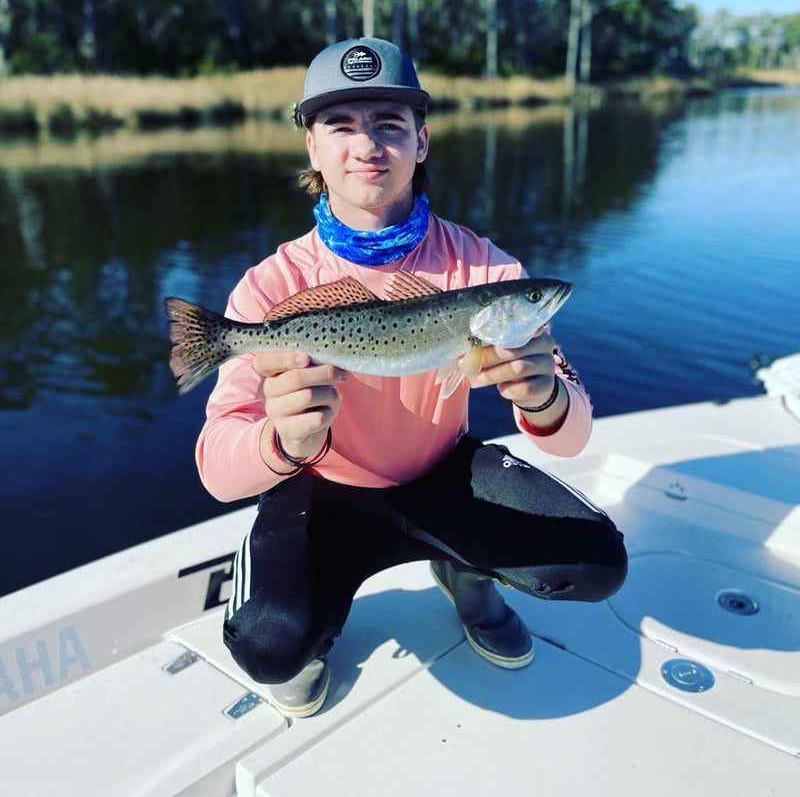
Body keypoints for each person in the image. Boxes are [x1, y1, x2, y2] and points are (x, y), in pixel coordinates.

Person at [196, 37, 627, 718]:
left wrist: (544, 392)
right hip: (325, 488)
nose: (366, 145)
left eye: (389, 125)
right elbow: (217, 470)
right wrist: (280, 443)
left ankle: (464, 571)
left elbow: (571, 437)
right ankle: (318, 623)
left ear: (421, 142)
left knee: (599, 563)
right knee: (267, 646)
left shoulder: (486, 271)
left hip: (444, 475)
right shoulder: (268, 289)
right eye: (340, 125)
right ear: (312, 147)